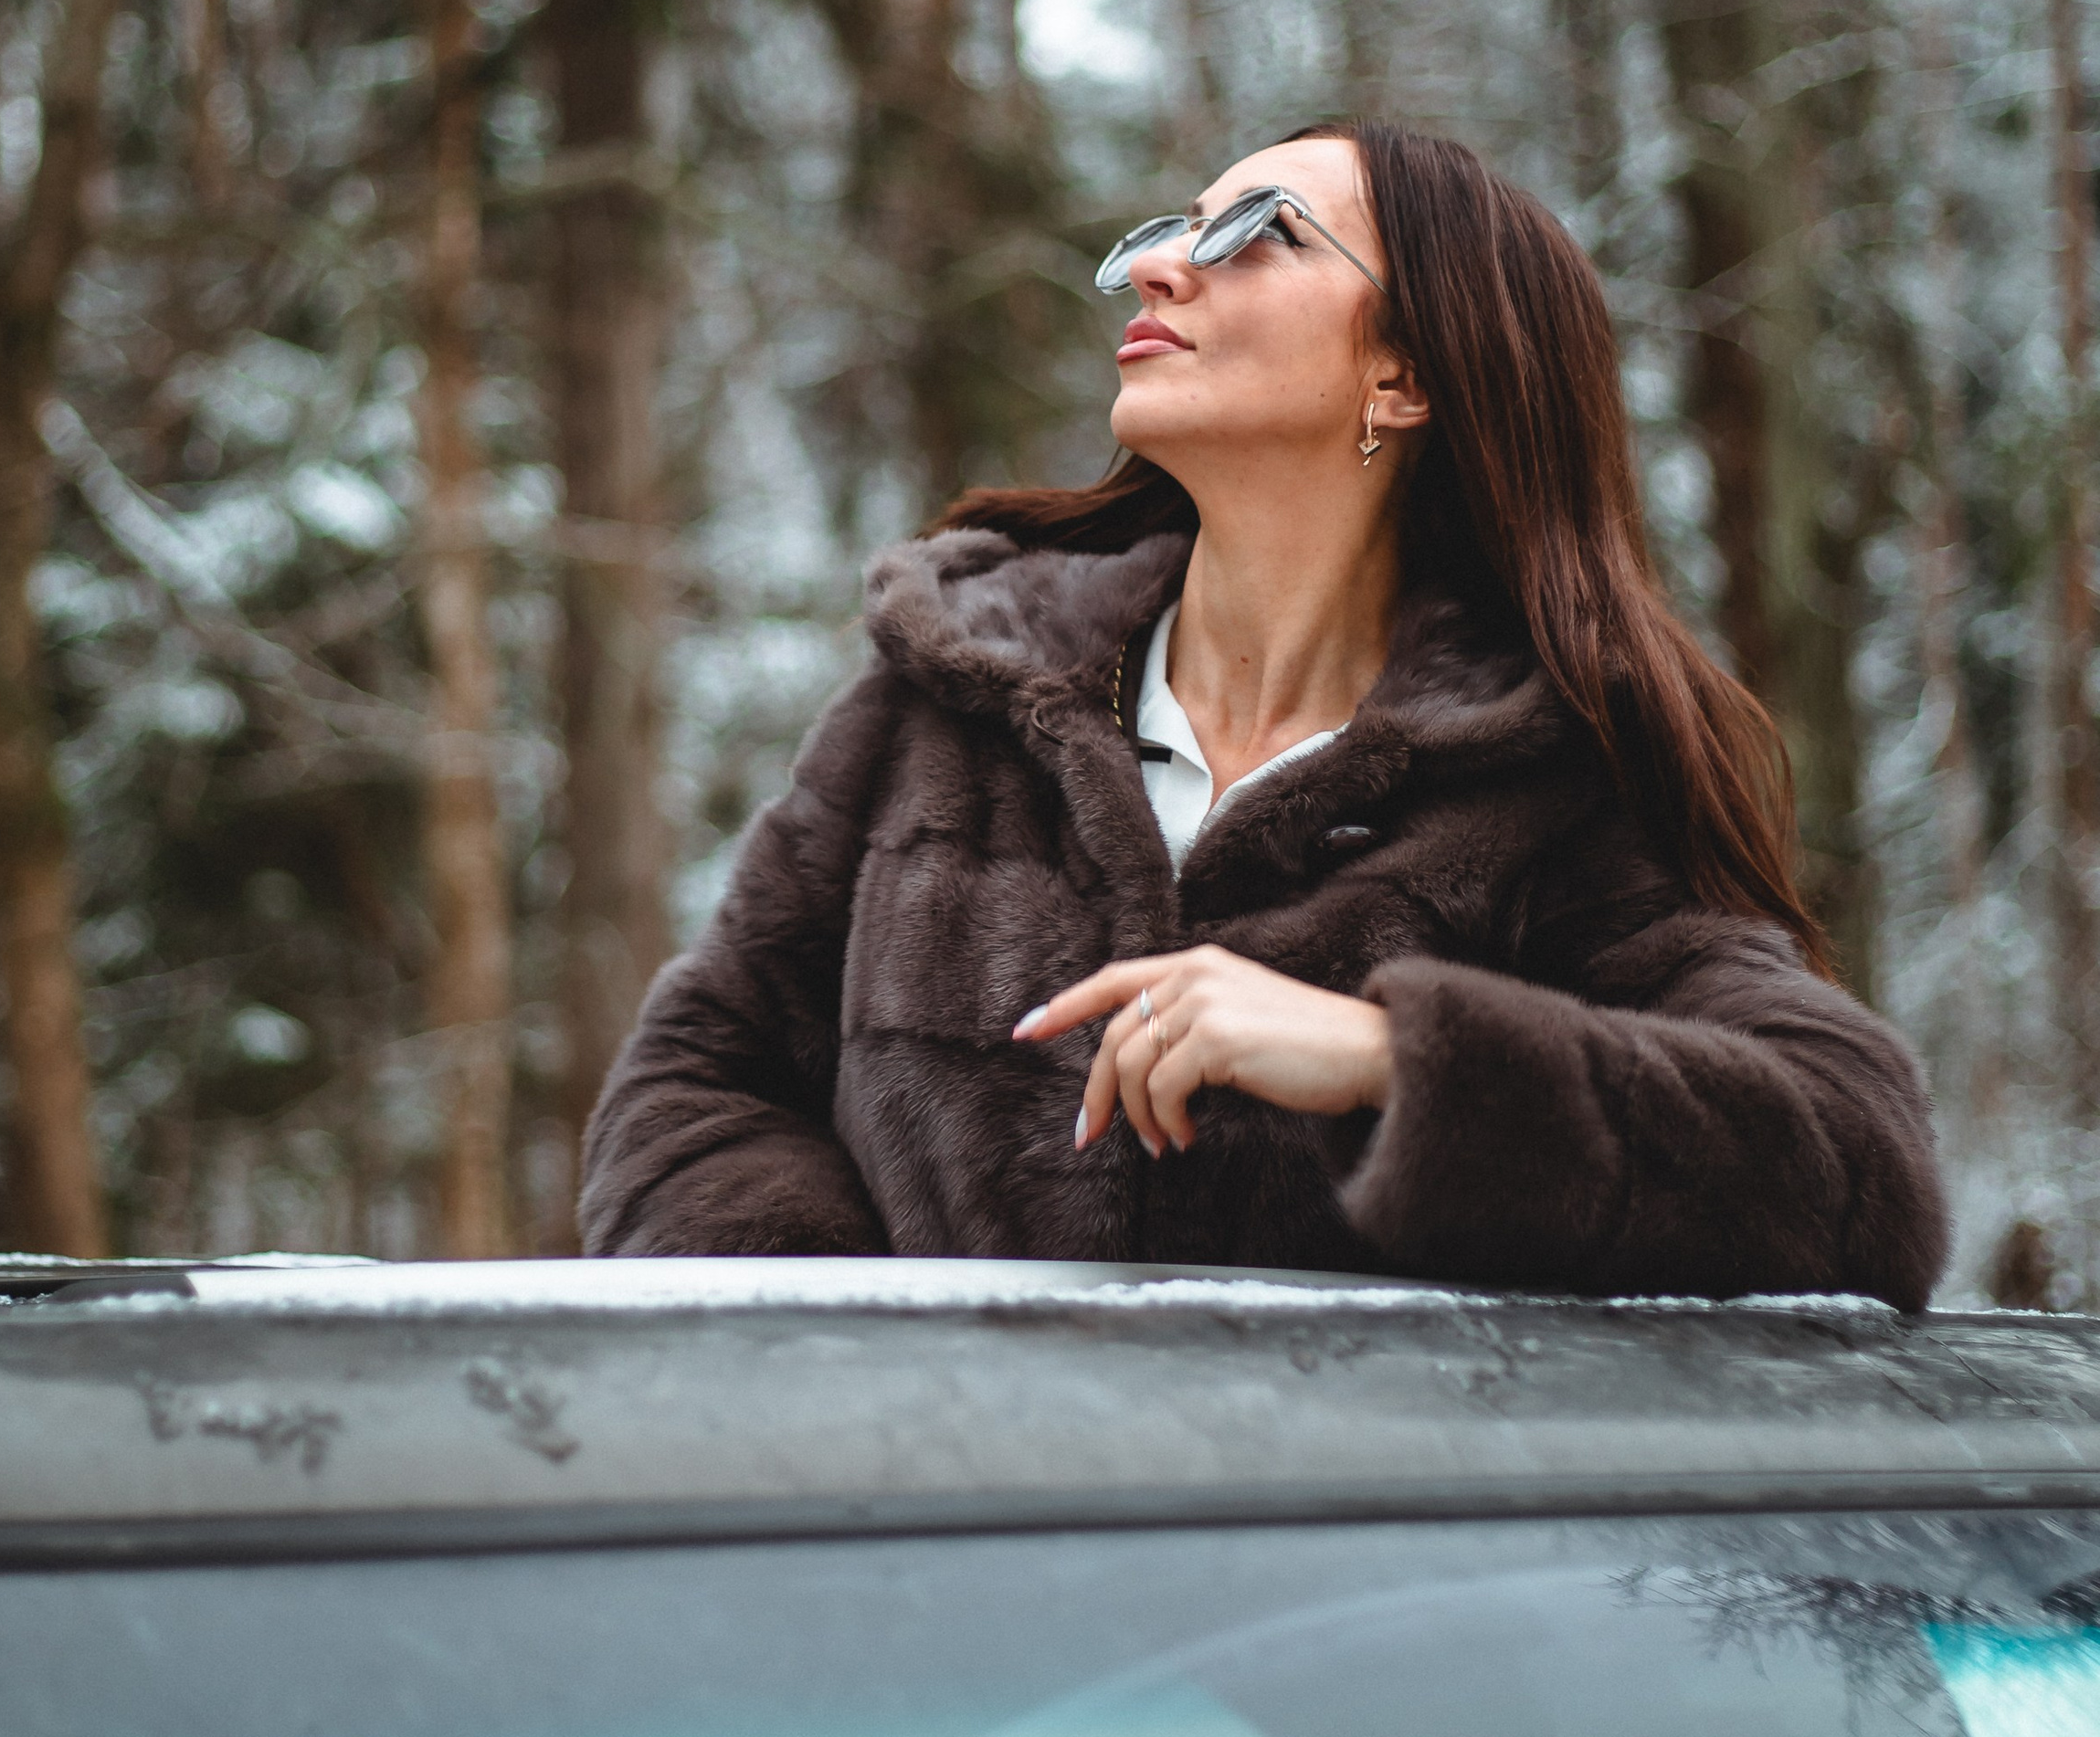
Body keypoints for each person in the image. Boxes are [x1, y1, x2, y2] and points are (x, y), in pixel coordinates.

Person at [580, 123, 1945, 1305]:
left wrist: (1391, 1057)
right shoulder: (951, 702)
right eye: (1171, 229)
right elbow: (693, 1089)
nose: (1161, 264)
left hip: (1330, 1591)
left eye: (1258, 233)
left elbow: (1858, 1166)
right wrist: (880, 1375)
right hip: (925, 1558)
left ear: (1403, 377)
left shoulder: (1543, 789)